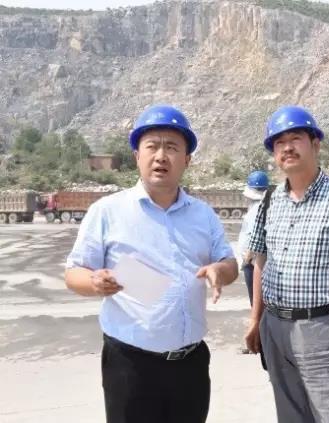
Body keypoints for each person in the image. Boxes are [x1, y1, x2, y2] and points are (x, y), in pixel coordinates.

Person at [64, 104, 238, 423]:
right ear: (136, 156)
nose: (161, 156)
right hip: (130, 366)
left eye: (171, 147)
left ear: (187, 159)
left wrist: (220, 271)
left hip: (190, 365)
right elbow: (74, 272)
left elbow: (230, 263)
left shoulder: (203, 214)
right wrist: (94, 282)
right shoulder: (108, 211)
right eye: (152, 146)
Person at [244, 105, 329, 422]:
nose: (287, 148)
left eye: (295, 139)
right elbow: (260, 262)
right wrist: (255, 320)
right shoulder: (269, 201)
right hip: (274, 327)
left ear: (315, 144)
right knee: (289, 414)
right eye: (279, 142)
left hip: (323, 328)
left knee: (328, 415)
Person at [238, 170, 270, 306]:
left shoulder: (256, 209)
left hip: (253, 262)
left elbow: (253, 235)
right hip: (257, 261)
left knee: (256, 301)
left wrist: (247, 259)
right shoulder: (264, 206)